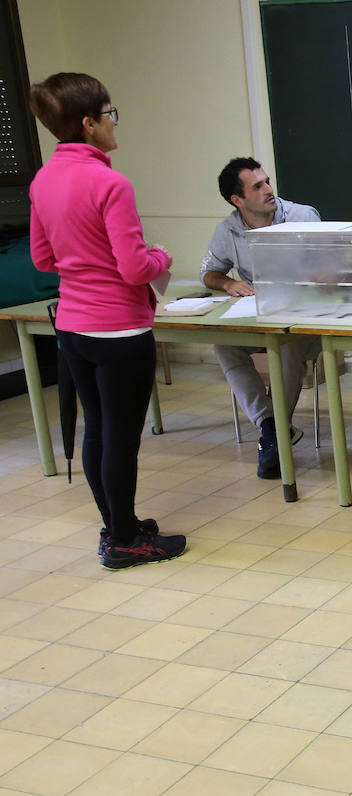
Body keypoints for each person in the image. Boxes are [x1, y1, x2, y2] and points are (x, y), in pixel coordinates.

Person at [27, 73, 187, 570]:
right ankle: (125, 542)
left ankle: (117, 524)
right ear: (88, 124)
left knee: (99, 429)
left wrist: (83, 263)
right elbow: (136, 268)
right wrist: (161, 256)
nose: (114, 122)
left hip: (73, 328)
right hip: (120, 330)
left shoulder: (42, 179)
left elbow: (41, 258)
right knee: (121, 438)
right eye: (108, 113)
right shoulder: (109, 183)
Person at [201, 157, 324, 479]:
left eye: (267, 181)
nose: (270, 190)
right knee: (225, 343)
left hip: (305, 320)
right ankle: (272, 428)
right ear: (237, 200)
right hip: (258, 317)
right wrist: (227, 283)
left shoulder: (302, 216)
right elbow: (209, 273)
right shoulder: (228, 229)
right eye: (258, 186)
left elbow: (337, 269)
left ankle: (274, 433)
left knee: (286, 343)